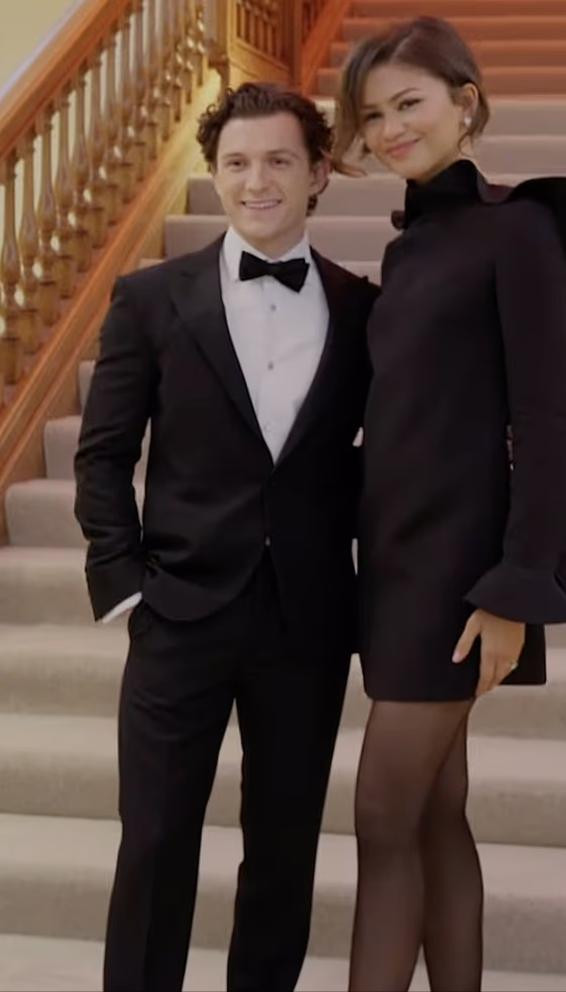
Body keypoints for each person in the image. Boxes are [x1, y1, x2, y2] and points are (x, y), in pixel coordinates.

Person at [74, 82, 377, 992]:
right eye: (237, 162)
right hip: (179, 613)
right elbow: (102, 455)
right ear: (214, 174)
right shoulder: (149, 299)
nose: (257, 181)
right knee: (155, 842)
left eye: (279, 160)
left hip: (307, 623)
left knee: (283, 851)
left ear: (318, 173)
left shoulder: (364, 308)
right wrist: (125, 582)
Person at [333, 16, 566, 992]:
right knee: (431, 814)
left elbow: (547, 418)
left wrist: (517, 584)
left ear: (465, 102)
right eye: (371, 114)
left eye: (409, 103)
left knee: (382, 815)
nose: (389, 128)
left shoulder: (518, 228)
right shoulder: (409, 248)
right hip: (391, 565)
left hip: (458, 576)